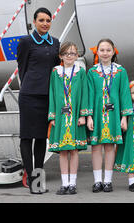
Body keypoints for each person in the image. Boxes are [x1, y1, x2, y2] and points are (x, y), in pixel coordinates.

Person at [17, 7, 60, 194]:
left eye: (48, 20)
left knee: (41, 139)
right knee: (27, 137)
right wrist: (31, 85)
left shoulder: (55, 43)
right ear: (34, 22)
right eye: (41, 20)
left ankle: (38, 178)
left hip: (46, 97)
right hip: (29, 96)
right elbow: (22, 67)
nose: (45, 23)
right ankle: (31, 178)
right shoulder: (26, 41)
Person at [87, 38, 134, 193]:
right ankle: (97, 181)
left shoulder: (120, 71)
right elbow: (89, 95)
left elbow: (125, 94)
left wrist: (124, 117)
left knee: (110, 147)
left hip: (114, 115)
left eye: (108, 50)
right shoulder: (92, 72)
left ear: (113, 52)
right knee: (96, 147)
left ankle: (108, 181)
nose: (105, 53)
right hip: (97, 115)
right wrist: (89, 116)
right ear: (97, 52)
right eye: (102, 50)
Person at [47, 41, 90, 195]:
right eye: (66, 53)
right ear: (61, 56)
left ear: (77, 55)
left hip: (75, 116)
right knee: (63, 151)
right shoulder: (55, 72)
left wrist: (83, 115)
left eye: (72, 53)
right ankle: (64, 183)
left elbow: (85, 93)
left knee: (74, 150)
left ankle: (73, 183)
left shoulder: (80, 71)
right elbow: (52, 93)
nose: (69, 56)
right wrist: (52, 116)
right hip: (60, 116)